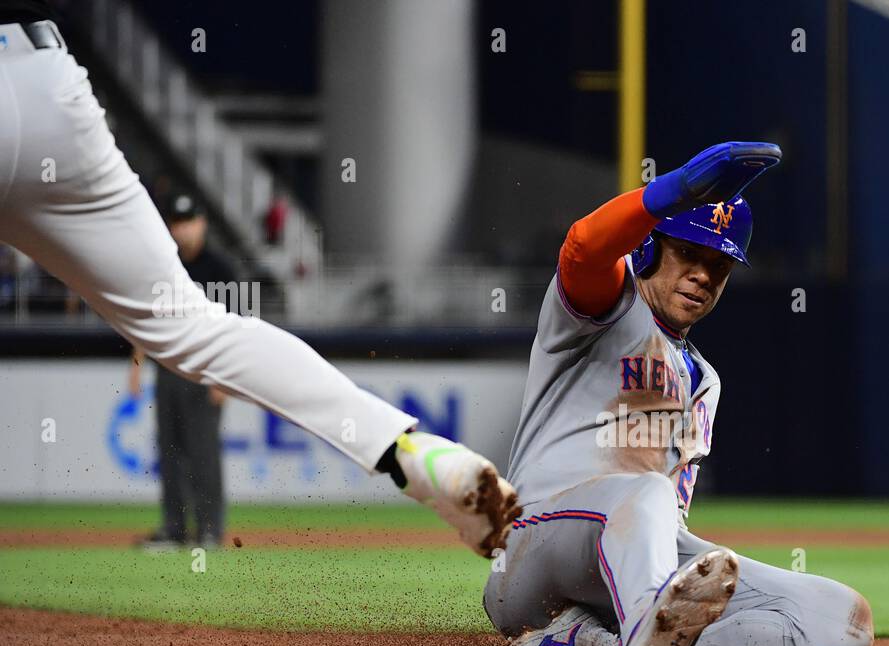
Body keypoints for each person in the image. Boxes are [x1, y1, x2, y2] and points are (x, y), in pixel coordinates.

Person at [0, 7, 518, 557]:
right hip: (48, 88)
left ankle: (199, 531)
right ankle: (418, 458)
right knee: (195, 326)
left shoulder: (221, 260)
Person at [483, 142, 874, 646]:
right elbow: (583, 248)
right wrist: (670, 193)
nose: (703, 275)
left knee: (841, 618)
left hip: (628, 563)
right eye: (688, 254)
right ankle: (639, 625)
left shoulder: (706, 380)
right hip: (535, 553)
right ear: (646, 251)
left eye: (719, 265)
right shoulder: (605, 311)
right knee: (647, 492)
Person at [130, 192, 235, 551]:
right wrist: (136, 365)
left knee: (203, 452)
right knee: (171, 451)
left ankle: (209, 531)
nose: (183, 230)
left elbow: (236, 328)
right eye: (177, 223)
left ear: (202, 223)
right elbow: (147, 319)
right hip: (167, 369)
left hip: (206, 371)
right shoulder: (164, 266)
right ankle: (174, 530)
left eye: (189, 222)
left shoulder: (221, 269)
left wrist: (225, 379)